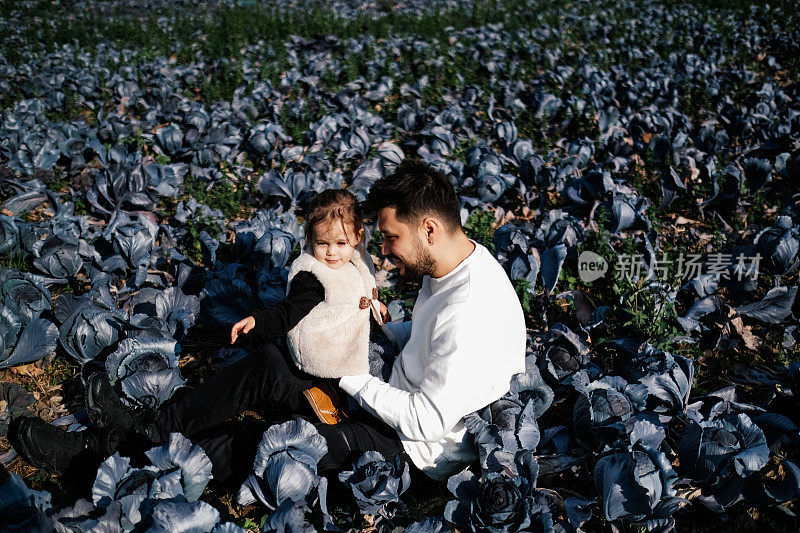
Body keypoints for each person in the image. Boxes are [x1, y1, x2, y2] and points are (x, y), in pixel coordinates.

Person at [10, 159, 526, 487]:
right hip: (391, 395)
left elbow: (425, 421)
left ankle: (94, 463)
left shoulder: (472, 313)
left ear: (429, 228)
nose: (385, 253)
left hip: (410, 448)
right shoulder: (456, 266)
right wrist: (372, 333)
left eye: (390, 238)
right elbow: (424, 344)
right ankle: (145, 430)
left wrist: (346, 373)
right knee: (272, 361)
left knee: (273, 444)